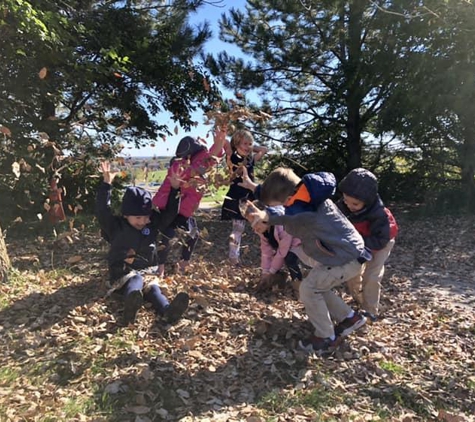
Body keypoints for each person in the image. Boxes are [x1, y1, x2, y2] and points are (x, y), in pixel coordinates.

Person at [243, 167, 371, 354]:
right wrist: (253, 187)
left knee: (309, 288)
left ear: (287, 200)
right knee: (318, 285)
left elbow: (285, 212)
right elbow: (279, 201)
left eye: (279, 205)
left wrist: (265, 216)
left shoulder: (305, 208)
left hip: (346, 257)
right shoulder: (306, 195)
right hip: (346, 254)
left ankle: (325, 337)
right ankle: (349, 318)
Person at [95, 161, 189, 326]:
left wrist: (175, 189)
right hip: (122, 273)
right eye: (138, 218)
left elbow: (170, 214)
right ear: (126, 215)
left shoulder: (151, 224)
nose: (143, 221)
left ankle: (168, 310)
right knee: (136, 279)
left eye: (146, 217)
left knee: (153, 289)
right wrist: (106, 184)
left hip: (147, 270)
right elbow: (102, 210)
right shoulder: (116, 226)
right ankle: (130, 307)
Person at [152, 127, 227, 277]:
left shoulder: (198, 161)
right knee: (167, 235)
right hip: (169, 208)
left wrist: (220, 143)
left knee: (193, 235)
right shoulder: (177, 166)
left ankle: (183, 264)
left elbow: (211, 158)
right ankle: (159, 267)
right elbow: (198, 167)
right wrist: (216, 148)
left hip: (184, 211)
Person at [336, 168, 399, 321]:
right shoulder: (342, 207)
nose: (349, 205)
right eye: (346, 200)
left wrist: (360, 247)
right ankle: (359, 298)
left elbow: (381, 239)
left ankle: (370, 310)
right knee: (352, 272)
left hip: (381, 242)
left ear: (367, 201)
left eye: (355, 204)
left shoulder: (379, 214)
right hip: (358, 241)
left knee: (372, 275)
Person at [221, 129, 267, 265]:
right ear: (236, 144)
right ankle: (234, 258)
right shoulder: (233, 158)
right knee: (242, 228)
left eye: (250, 144)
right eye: (245, 144)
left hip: (248, 198)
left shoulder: (250, 159)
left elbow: (264, 149)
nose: (248, 147)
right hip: (239, 198)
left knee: (251, 226)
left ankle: (235, 257)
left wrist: (250, 146)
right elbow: (227, 145)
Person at [252, 204, 303, 292]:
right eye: (252, 224)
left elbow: (282, 251)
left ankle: (298, 284)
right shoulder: (263, 231)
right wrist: (265, 271)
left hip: (300, 242)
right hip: (285, 246)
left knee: (289, 258)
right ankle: (278, 280)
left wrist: (271, 271)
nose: (255, 228)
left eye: (257, 223)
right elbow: (266, 252)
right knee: (274, 259)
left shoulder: (282, 225)